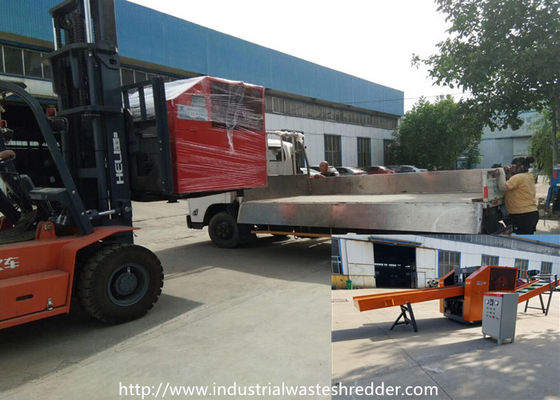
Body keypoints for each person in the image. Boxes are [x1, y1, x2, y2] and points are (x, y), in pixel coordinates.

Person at [497, 156, 538, 234]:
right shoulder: (528, 176)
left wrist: (501, 172)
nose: (511, 169)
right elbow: (512, 182)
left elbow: (502, 187)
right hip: (530, 213)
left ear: (521, 167)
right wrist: (508, 173)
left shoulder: (518, 177)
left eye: (513, 167)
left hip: (522, 215)